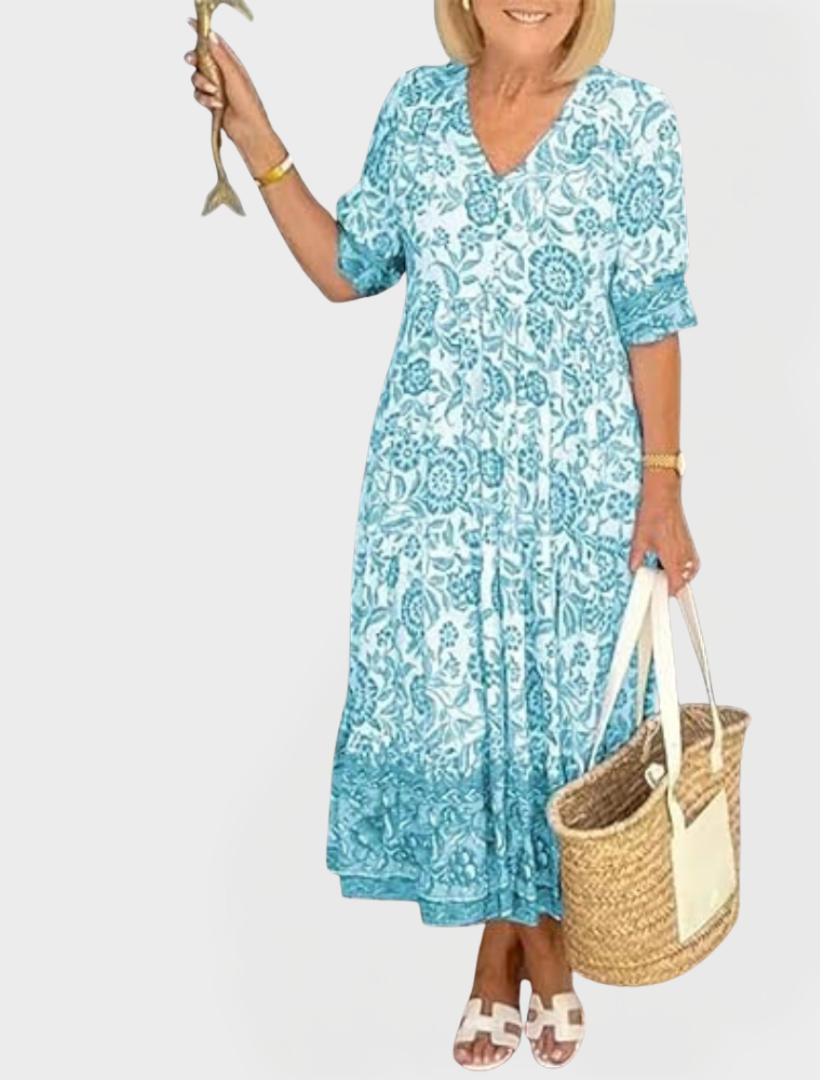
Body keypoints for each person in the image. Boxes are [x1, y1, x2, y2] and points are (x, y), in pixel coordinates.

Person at [185, 0, 701, 1069]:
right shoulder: (417, 111)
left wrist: (665, 486)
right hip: (435, 490)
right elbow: (348, 268)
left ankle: (525, 944)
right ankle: (517, 940)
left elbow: (652, 316)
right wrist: (255, 133)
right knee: (466, 717)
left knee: (564, 720)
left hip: (577, 488)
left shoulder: (634, 121)